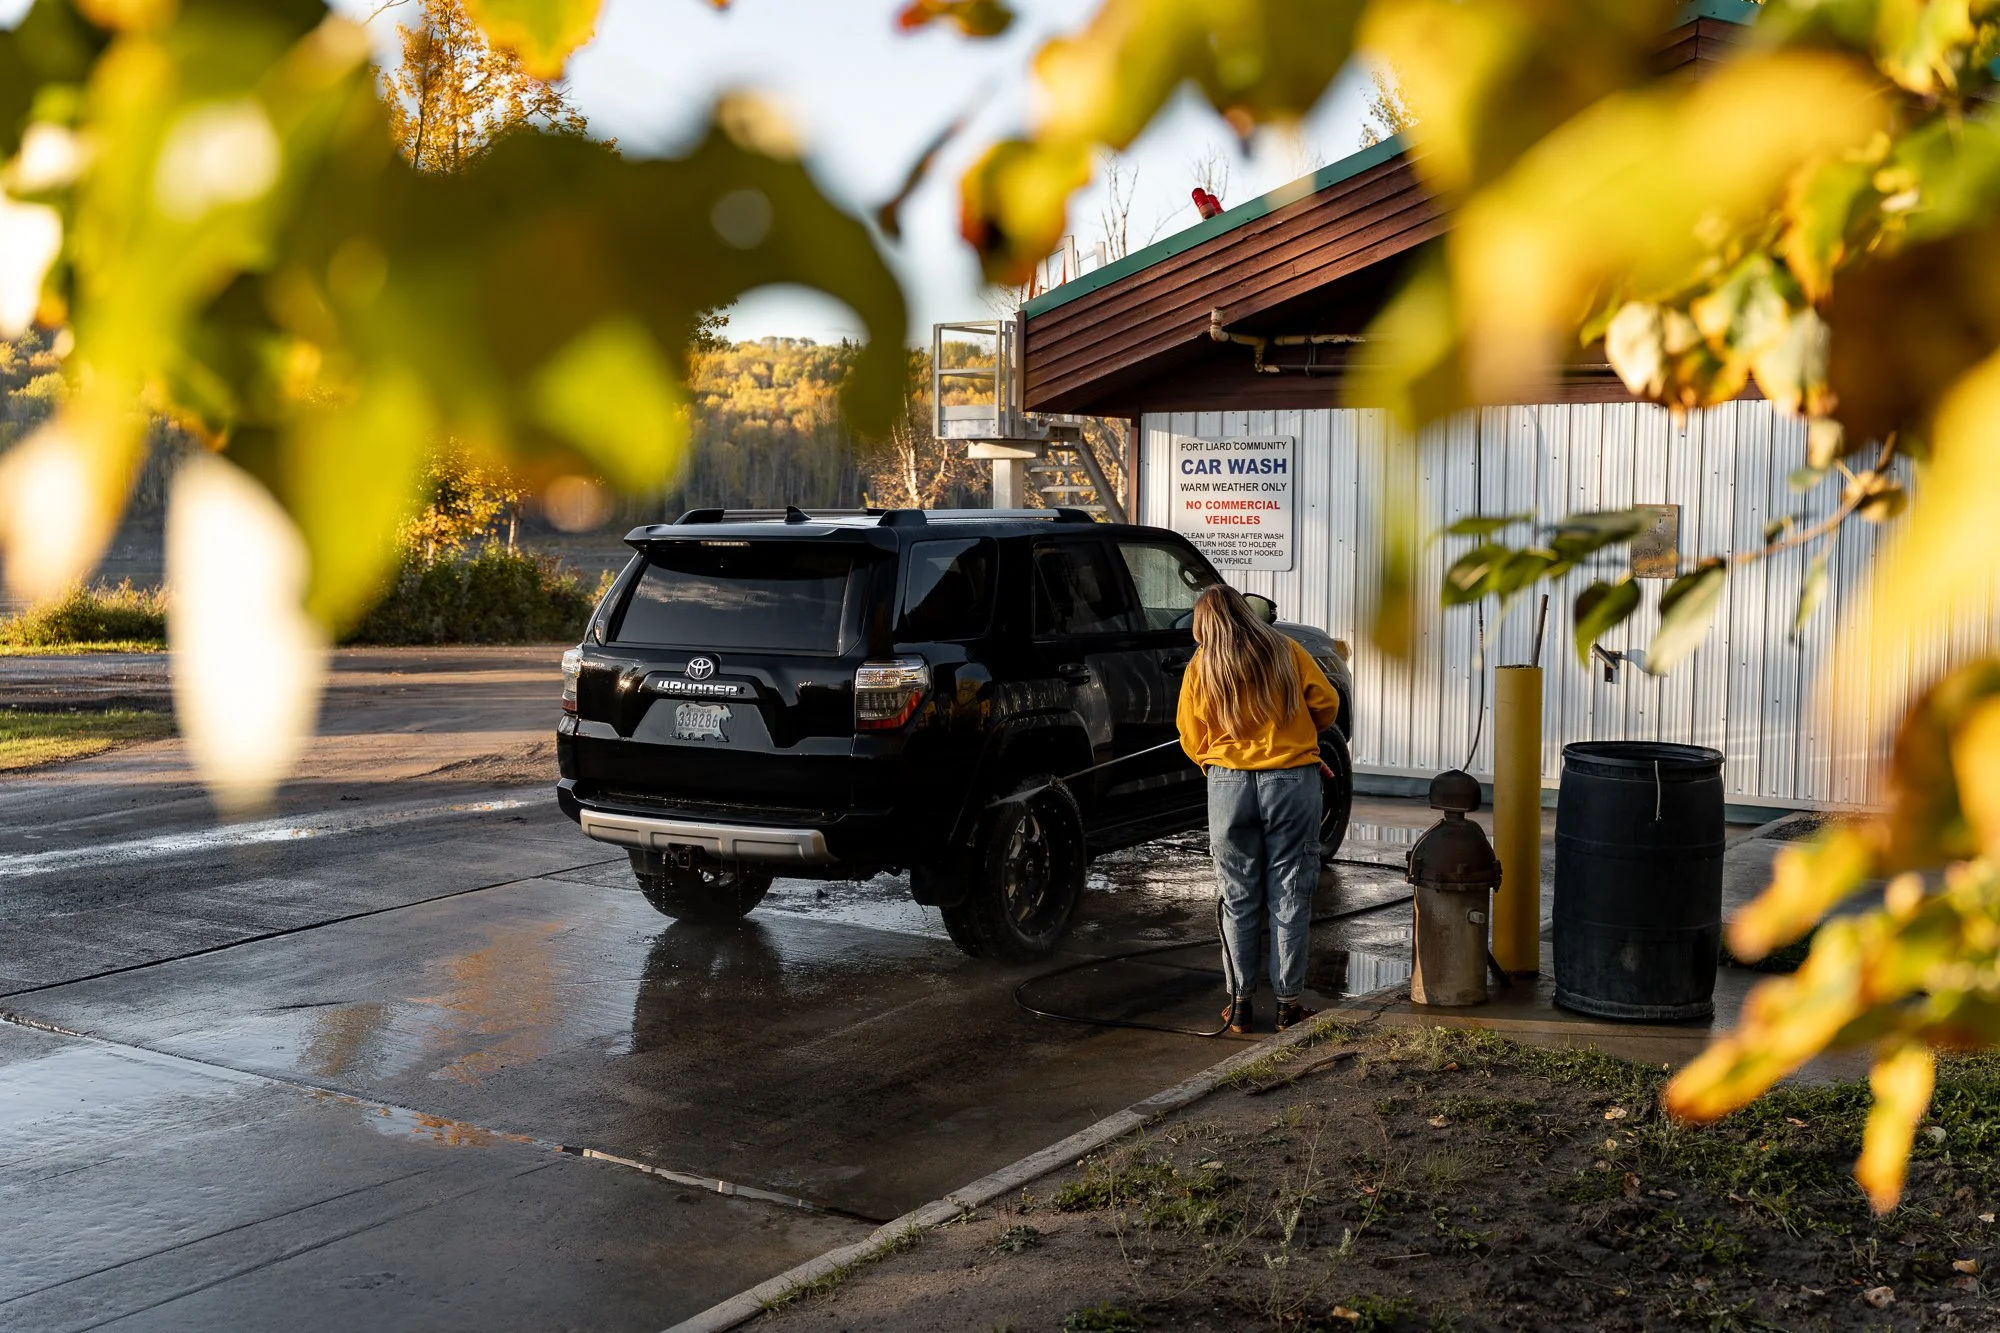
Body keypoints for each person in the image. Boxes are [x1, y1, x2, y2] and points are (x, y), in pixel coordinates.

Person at [1176, 584, 1340, 1034]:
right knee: (1289, 890)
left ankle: (1240, 1005)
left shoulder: (1202, 664)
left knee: (1237, 896)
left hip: (1228, 783)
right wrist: (1300, 735)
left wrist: (1218, 756)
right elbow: (1326, 704)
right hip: (1291, 778)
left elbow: (1190, 735)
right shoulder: (1286, 650)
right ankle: (1288, 1005)